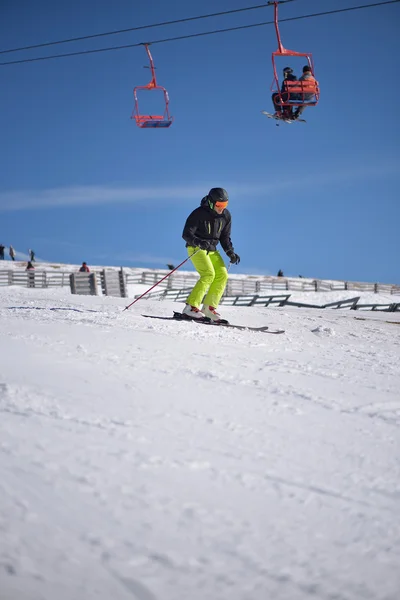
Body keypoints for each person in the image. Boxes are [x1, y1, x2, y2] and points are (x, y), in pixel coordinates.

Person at [182, 187, 240, 321]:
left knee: (222, 275)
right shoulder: (198, 214)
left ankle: (208, 308)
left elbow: (224, 237)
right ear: (211, 202)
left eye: (225, 205)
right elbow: (186, 234)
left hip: (212, 250)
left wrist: (230, 252)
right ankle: (190, 308)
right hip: (196, 247)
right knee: (208, 274)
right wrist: (198, 242)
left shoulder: (226, 216)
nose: (222, 208)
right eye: (219, 205)